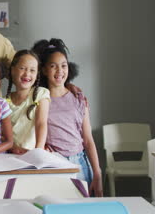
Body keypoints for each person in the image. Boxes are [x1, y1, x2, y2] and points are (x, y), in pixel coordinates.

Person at [32, 38, 103, 197]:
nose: (59, 71)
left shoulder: (78, 97)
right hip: (54, 165)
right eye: (53, 66)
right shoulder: (39, 98)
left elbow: (88, 138)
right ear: (43, 70)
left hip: (81, 164)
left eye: (63, 65)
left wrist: (97, 172)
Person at [5, 50, 50, 154]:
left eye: (32, 70)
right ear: (12, 70)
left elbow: (41, 123)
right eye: (22, 68)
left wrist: (38, 151)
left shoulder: (41, 93)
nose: (27, 74)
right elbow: (2, 134)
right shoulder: (4, 101)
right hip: (10, 155)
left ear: (37, 74)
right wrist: (16, 149)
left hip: (34, 155)